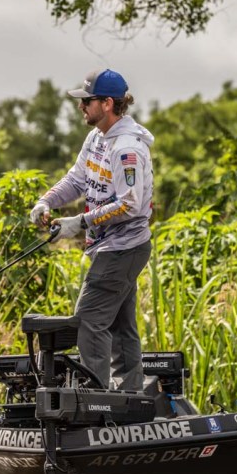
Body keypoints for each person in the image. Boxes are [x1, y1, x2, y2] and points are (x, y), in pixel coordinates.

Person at [29, 68, 154, 391]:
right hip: (108, 248)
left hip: (124, 248)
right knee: (120, 325)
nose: (81, 106)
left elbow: (130, 204)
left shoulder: (126, 149)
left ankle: (96, 400)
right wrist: (46, 201)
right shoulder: (97, 137)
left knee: (88, 321)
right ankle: (129, 397)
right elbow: (76, 180)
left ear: (108, 103)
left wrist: (80, 222)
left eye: (88, 100)